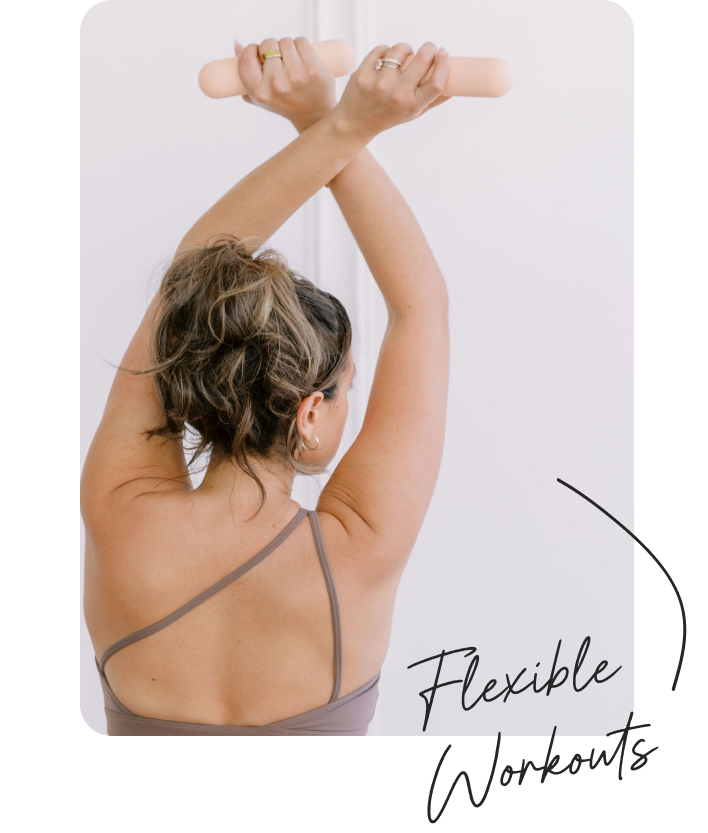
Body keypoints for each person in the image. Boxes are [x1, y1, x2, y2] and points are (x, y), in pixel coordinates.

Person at [81, 37, 451, 736]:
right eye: (348, 387)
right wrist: (333, 121)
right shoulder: (358, 552)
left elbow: (187, 275)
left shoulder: (117, 512)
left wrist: (336, 124)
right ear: (312, 410)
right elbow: (421, 305)